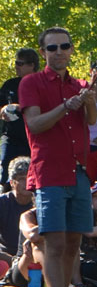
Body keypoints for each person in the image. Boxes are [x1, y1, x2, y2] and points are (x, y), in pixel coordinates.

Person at [19, 27, 97, 287]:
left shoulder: (80, 85)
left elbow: (91, 120)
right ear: (43, 52)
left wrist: (88, 100)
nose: (59, 52)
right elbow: (35, 124)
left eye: (64, 46)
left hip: (79, 171)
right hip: (49, 172)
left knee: (74, 242)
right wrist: (65, 107)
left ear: (71, 49)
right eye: (52, 48)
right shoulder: (31, 82)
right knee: (54, 243)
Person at [0, 48, 37, 189]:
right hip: (11, 137)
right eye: (15, 63)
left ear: (32, 65)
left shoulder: (40, 84)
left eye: (20, 63)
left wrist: (19, 107)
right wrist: (3, 111)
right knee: (5, 169)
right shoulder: (10, 84)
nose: (16, 66)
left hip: (33, 137)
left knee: (32, 174)